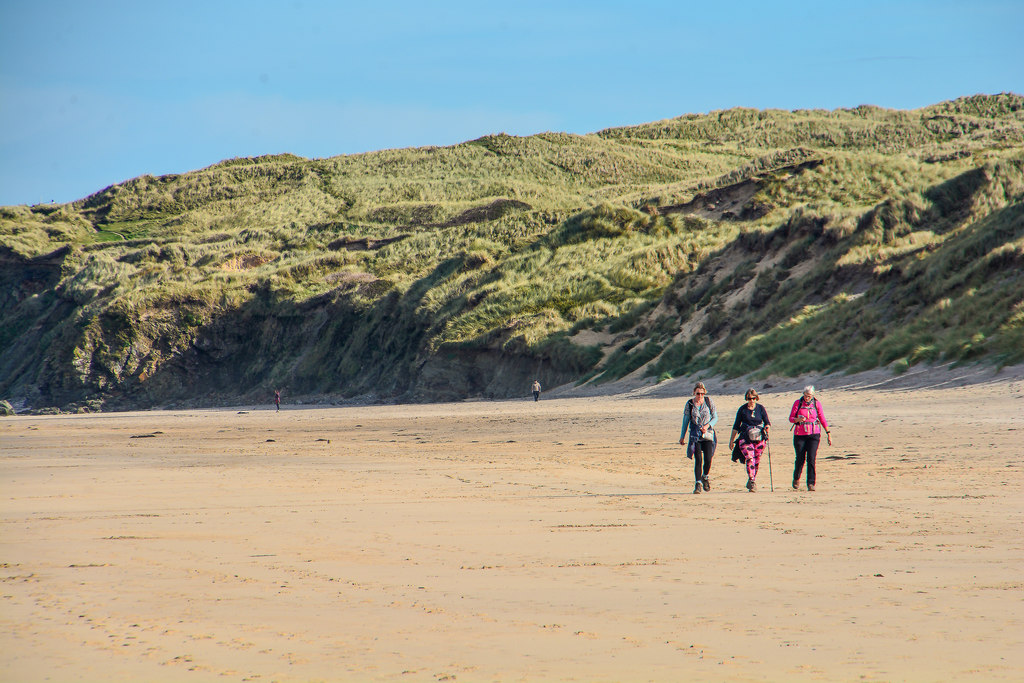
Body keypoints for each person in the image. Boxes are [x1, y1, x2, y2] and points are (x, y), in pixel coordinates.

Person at [789, 385, 832, 491]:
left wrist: (828, 433)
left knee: (811, 459)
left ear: (812, 395)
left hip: (814, 434)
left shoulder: (816, 404)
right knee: (800, 458)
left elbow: (822, 418)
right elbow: (791, 418)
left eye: (809, 396)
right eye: (805, 395)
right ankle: (796, 478)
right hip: (800, 435)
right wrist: (797, 419)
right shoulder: (797, 403)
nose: (806, 398)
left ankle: (811, 483)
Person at [679, 381, 718, 494]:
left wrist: (707, 426)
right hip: (695, 435)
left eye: (702, 393)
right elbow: (686, 421)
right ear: (694, 393)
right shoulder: (690, 404)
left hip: (708, 434)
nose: (700, 395)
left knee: (708, 459)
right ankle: (698, 484)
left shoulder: (709, 402)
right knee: (698, 460)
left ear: (704, 393)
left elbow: (715, 417)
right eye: (697, 393)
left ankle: (705, 477)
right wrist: (682, 436)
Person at [728, 388, 771, 492]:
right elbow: (736, 426)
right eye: (749, 398)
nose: (751, 400)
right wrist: (731, 440)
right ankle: (752, 481)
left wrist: (767, 428)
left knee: (757, 460)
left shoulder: (760, 408)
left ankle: (752, 478)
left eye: (753, 398)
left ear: (756, 398)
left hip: (759, 438)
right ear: (746, 399)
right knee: (750, 458)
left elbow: (767, 422)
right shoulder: (742, 409)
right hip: (745, 438)